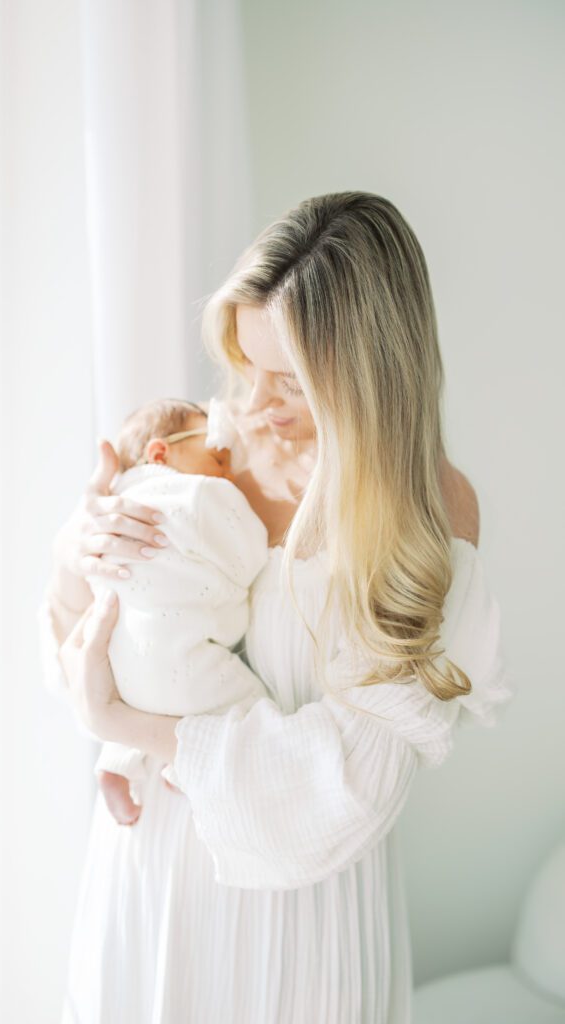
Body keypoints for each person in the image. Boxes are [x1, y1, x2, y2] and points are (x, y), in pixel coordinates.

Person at [38, 191, 512, 1024]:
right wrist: (82, 550)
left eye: (288, 382)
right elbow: (90, 634)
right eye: (247, 366)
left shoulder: (429, 512)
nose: (252, 407)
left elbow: (355, 778)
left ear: (367, 377)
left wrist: (130, 727)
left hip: (305, 918)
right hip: (150, 882)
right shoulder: (200, 456)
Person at [86, 396, 269, 826]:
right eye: (217, 456)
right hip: (181, 663)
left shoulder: (111, 510)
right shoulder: (200, 494)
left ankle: (116, 760)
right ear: (160, 453)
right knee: (248, 709)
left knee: (147, 696)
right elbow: (250, 557)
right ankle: (184, 768)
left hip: (121, 666)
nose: (228, 472)